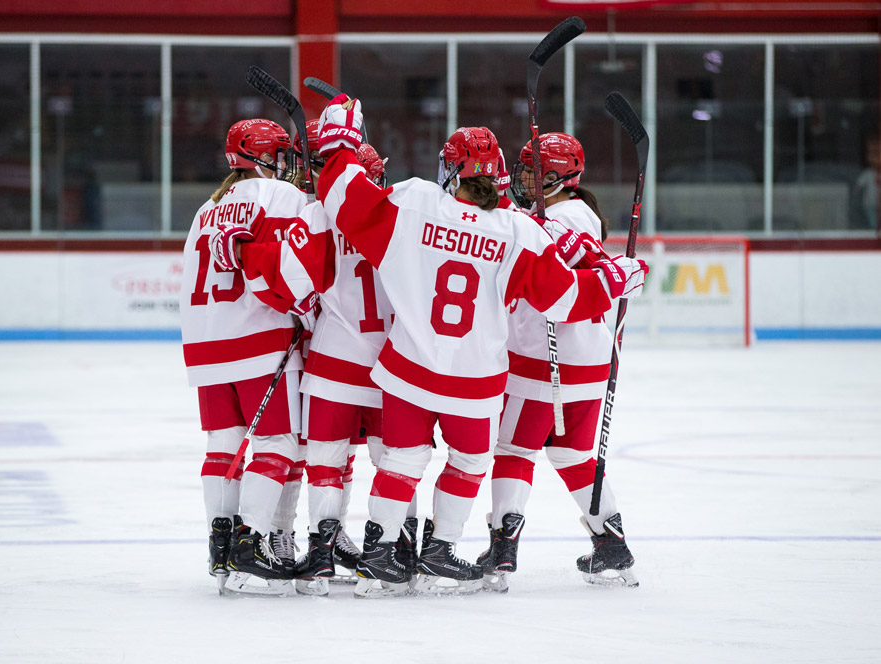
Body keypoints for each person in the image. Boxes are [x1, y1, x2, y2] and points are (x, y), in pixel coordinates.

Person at [313, 96, 648, 598]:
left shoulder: (414, 202)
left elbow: (342, 197)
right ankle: (440, 551)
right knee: (468, 463)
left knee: (402, 461)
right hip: (475, 381)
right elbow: (563, 300)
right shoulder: (517, 232)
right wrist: (618, 277)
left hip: (407, 366)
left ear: (450, 170)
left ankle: (380, 553)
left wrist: (340, 138)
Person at [211, 135, 413, 595]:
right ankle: (398, 552)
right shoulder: (400, 217)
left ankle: (319, 557)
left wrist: (242, 254)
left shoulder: (318, 215)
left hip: (333, 360)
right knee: (396, 461)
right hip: (392, 363)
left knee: (320, 461)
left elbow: (285, 281)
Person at [479, 132, 640, 591]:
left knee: (513, 451)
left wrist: (535, 227)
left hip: (543, 359)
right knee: (572, 455)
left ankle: (502, 550)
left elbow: (567, 257)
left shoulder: (571, 215)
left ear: (556, 177)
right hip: (586, 363)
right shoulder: (554, 213)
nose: (523, 178)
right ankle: (611, 545)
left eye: (532, 170)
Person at [178, 118, 313, 597]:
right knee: (278, 445)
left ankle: (221, 547)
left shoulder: (206, 206)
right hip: (258, 337)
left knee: (223, 448)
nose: (288, 163)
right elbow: (285, 269)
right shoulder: (280, 198)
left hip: (205, 342)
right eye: (280, 153)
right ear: (265, 157)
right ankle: (251, 547)